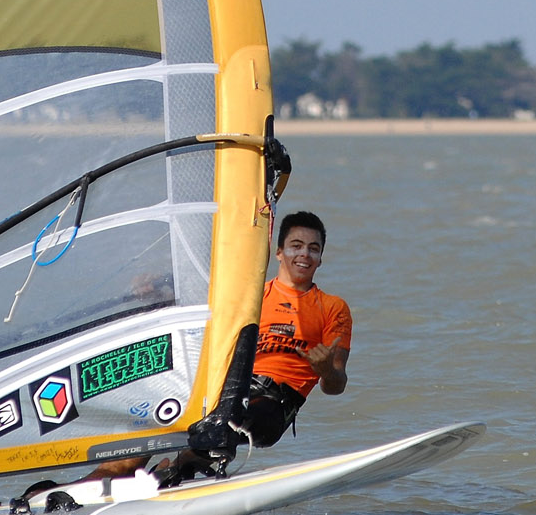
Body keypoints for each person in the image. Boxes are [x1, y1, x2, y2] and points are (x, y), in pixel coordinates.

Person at [75, 210, 351, 491]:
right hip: (226, 388)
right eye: (296, 246)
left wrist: (327, 370)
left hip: (272, 405)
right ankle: (78, 489)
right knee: (149, 432)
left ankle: (170, 474)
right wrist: (152, 295)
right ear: (279, 252)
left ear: (320, 259)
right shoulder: (250, 296)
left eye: (313, 249)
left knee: (212, 434)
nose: (304, 254)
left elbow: (336, 384)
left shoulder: (332, 308)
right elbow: (195, 308)